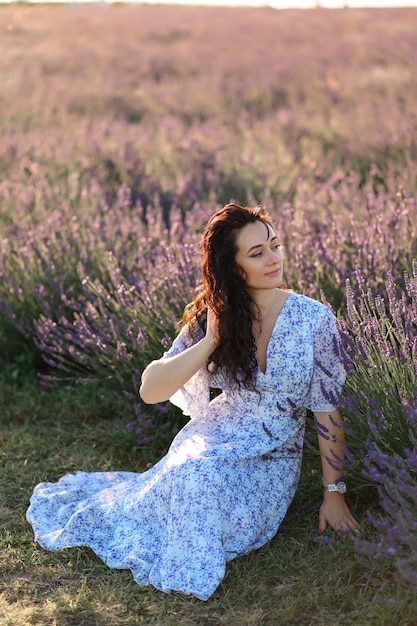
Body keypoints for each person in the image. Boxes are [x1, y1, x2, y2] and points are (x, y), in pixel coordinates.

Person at [27, 203, 359, 601]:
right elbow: (151, 390)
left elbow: (326, 410)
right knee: (194, 474)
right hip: (213, 437)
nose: (274, 259)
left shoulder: (314, 320)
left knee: (199, 482)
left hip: (272, 458)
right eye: (257, 253)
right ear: (233, 267)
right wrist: (210, 342)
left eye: (275, 245)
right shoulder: (215, 315)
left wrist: (334, 494)